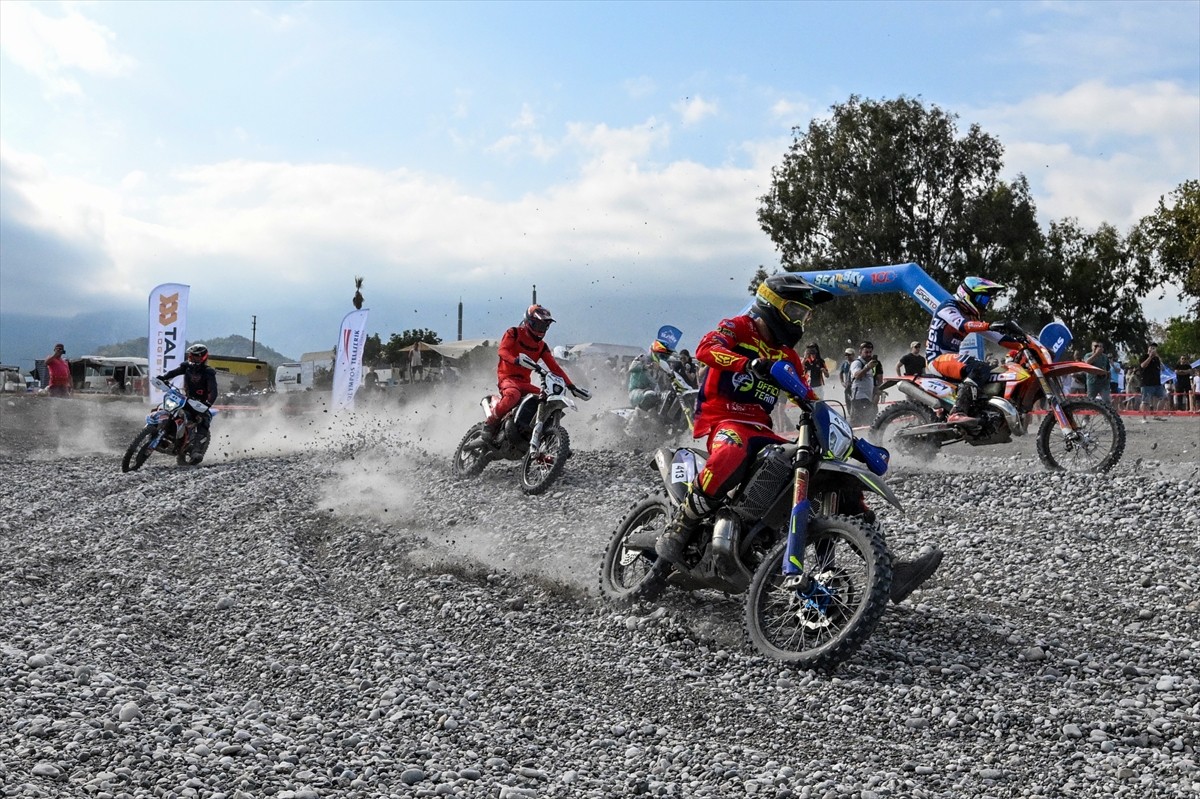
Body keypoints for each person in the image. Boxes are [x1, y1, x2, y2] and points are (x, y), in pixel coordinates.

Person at [653, 274, 941, 604]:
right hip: (724, 419)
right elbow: (706, 350)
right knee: (732, 450)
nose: (798, 321)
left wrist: (852, 442)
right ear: (770, 305)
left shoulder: (788, 357)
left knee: (829, 476)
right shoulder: (737, 327)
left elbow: (806, 397)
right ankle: (682, 523)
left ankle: (890, 571)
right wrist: (752, 363)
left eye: (804, 316)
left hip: (761, 429)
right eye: (793, 311)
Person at [483, 305, 583, 444]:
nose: (540, 329)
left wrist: (571, 385)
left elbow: (555, 368)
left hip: (524, 382)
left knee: (547, 399)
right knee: (513, 395)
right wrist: (515, 359)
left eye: (544, 326)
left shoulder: (542, 346)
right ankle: (490, 424)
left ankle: (548, 440)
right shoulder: (514, 333)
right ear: (529, 322)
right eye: (538, 324)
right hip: (507, 378)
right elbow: (503, 351)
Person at [926, 276, 1009, 425]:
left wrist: (1024, 341)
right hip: (937, 358)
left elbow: (999, 338)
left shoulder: (971, 316)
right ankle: (957, 412)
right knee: (979, 366)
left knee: (993, 371)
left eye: (987, 301)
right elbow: (963, 325)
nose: (985, 304)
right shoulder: (948, 306)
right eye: (982, 299)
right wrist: (990, 326)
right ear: (968, 294)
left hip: (950, 360)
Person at [156, 343, 218, 447]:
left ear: (203, 357)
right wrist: (163, 377)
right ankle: (156, 429)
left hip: (200, 404)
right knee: (166, 408)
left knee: (203, 420)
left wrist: (208, 404)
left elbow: (213, 391)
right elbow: (174, 372)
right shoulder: (186, 367)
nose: (193, 358)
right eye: (191, 355)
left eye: (196, 356)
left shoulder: (208, 372)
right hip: (186, 399)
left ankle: (197, 449)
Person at [848, 341, 880, 427]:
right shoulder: (857, 363)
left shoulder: (868, 364)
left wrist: (877, 391)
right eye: (866, 352)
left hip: (867, 398)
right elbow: (857, 375)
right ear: (860, 351)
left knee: (869, 422)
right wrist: (867, 367)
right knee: (857, 424)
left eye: (870, 352)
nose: (868, 354)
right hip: (859, 399)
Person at [1137, 343, 1164, 423]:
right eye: (1151, 348)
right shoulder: (1144, 356)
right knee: (1145, 401)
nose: (1153, 349)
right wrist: (1150, 357)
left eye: (1154, 348)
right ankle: (1143, 418)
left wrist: (1157, 356)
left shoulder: (1157, 359)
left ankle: (1156, 415)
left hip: (1157, 382)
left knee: (1163, 397)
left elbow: (1162, 368)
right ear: (1148, 348)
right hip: (1146, 383)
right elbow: (1142, 366)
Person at [1083, 341, 1111, 405]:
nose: (1098, 348)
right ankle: (1087, 414)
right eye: (1096, 346)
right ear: (1092, 347)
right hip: (1093, 382)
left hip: (1104, 382)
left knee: (1106, 400)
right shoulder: (1088, 355)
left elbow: (1108, 369)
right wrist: (1096, 354)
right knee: (1090, 401)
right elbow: (1087, 363)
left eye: (1100, 346)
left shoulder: (1105, 357)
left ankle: (1108, 414)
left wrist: (1108, 377)